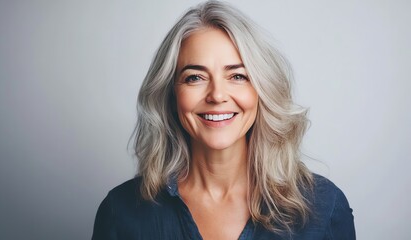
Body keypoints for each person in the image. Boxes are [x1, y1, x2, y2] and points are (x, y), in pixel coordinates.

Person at [92, 1, 356, 239]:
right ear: (171, 94)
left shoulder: (324, 208)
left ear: (261, 91)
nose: (217, 95)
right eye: (195, 77)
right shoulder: (121, 211)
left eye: (237, 76)